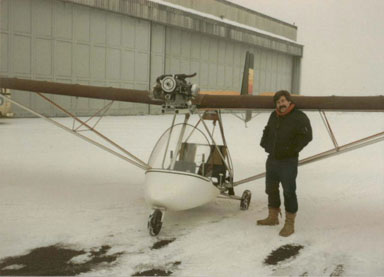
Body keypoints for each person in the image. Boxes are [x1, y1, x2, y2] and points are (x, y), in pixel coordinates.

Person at [257, 90, 312, 237]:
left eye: (282, 101)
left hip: (288, 160)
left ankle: (289, 223)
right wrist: (265, 144)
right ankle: (273, 217)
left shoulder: (299, 116)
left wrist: (292, 149)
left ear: (288, 101)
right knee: (271, 188)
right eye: (278, 102)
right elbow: (268, 130)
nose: (280, 104)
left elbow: (307, 136)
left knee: (288, 191)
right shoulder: (274, 115)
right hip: (273, 158)